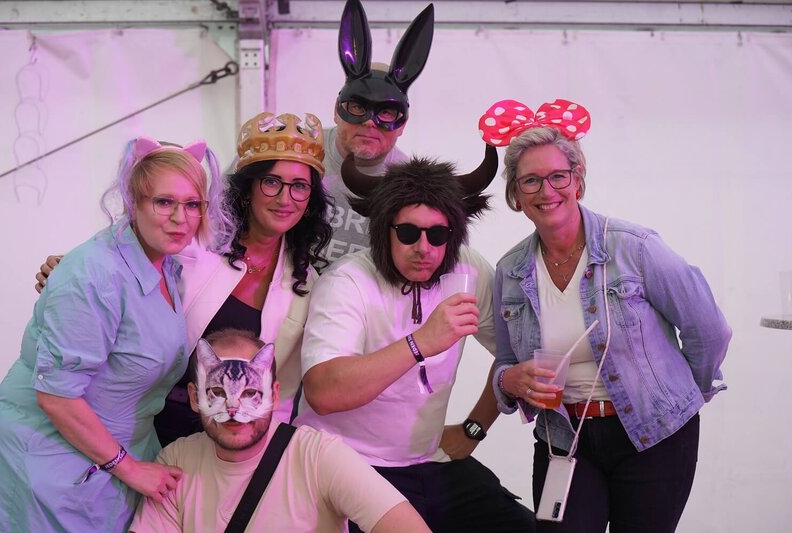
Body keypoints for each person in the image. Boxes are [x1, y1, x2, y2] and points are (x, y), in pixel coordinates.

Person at [481, 99, 732, 532]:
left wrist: (683, 395)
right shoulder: (511, 270)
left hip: (655, 435)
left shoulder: (634, 247)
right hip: (565, 439)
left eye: (558, 176)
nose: (546, 191)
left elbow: (708, 329)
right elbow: (505, 362)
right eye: (531, 181)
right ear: (515, 196)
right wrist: (509, 381)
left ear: (577, 180)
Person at [0, 137, 231, 532]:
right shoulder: (95, 274)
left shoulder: (166, 266)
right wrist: (130, 468)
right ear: (133, 202)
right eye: (164, 202)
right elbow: (57, 396)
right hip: (51, 463)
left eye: (192, 204)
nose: (181, 218)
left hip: (107, 463)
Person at [295, 149, 537, 532]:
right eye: (408, 233)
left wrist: (474, 428)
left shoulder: (468, 270)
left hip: (428, 461)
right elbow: (324, 392)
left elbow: (513, 353)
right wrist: (419, 342)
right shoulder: (347, 282)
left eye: (437, 235)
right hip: (345, 462)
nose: (423, 248)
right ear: (384, 230)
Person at [130, 328, 430, 533]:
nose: (234, 408)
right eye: (218, 392)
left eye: (250, 393)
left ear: (274, 395)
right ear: (195, 398)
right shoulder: (177, 461)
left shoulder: (319, 457)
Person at [153, 111, 333, 444]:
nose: (284, 199)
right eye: (271, 182)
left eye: (299, 186)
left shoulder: (307, 285)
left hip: (231, 440)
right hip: (150, 419)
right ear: (248, 188)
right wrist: (67, 265)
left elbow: (281, 394)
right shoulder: (194, 243)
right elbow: (130, 263)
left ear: (310, 200)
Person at [321, 0, 434, 260]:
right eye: (357, 107)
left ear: (402, 125)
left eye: (386, 113)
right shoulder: (292, 153)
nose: (370, 122)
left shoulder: (413, 185)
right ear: (336, 110)